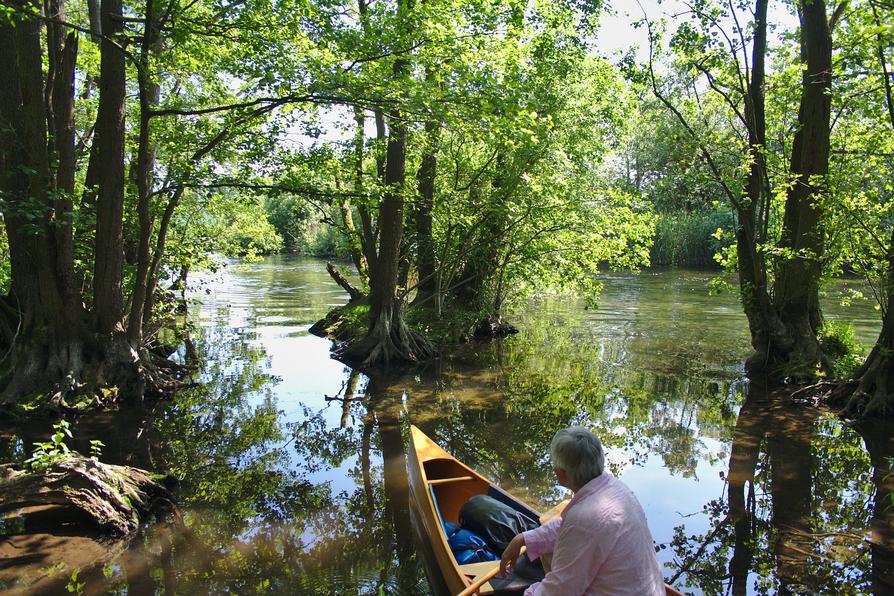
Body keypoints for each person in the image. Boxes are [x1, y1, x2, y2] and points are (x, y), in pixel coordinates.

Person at [499, 426, 665, 595]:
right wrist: (524, 539)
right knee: (547, 555)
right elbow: (571, 529)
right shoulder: (618, 489)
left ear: (560, 474)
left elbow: (559, 592)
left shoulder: (584, 519)